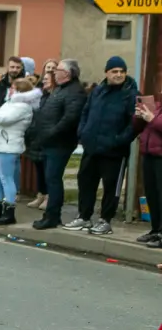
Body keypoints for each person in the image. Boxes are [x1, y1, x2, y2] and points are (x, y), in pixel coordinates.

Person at [65, 56, 137, 235]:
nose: (118, 74)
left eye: (122, 71)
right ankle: (84, 217)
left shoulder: (131, 94)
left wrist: (118, 140)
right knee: (85, 182)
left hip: (114, 151)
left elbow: (134, 124)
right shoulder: (98, 91)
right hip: (91, 147)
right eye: (114, 71)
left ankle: (105, 220)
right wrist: (83, 132)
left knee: (111, 187)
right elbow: (85, 112)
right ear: (106, 73)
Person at [31, 59, 87, 230]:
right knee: (50, 179)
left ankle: (53, 216)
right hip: (48, 142)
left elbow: (69, 118)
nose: (54, 72)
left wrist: (51, 132)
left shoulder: (75, 92)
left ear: (67, 74)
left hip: (60, 143)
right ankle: (50, 214)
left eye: (58, 70)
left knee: (53, 179)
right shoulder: (60, 89)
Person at [0, 78, 41, 226]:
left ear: (21, 91)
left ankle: (9, 211)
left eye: (13, 88)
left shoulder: (22, 107)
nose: (10, 90)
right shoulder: (10, 103)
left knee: (6, 178)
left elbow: (2, 119)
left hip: (8, 146)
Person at [132, 97, 162, 247]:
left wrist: (152, 119)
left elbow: (156, 123)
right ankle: (155, 229)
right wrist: (138, 117)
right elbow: (138, 128)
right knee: (152, 195)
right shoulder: (157, 106)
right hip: (149, 154)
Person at [25, 69, 56, 210]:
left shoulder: (55, 97)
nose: (44, 81)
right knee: (39, 169)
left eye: (47, 79)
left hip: (47, 137)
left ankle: (48, 196)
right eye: (43, 79)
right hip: (36, 136)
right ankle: (40, 195)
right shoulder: (42, 96)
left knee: (47, 170)